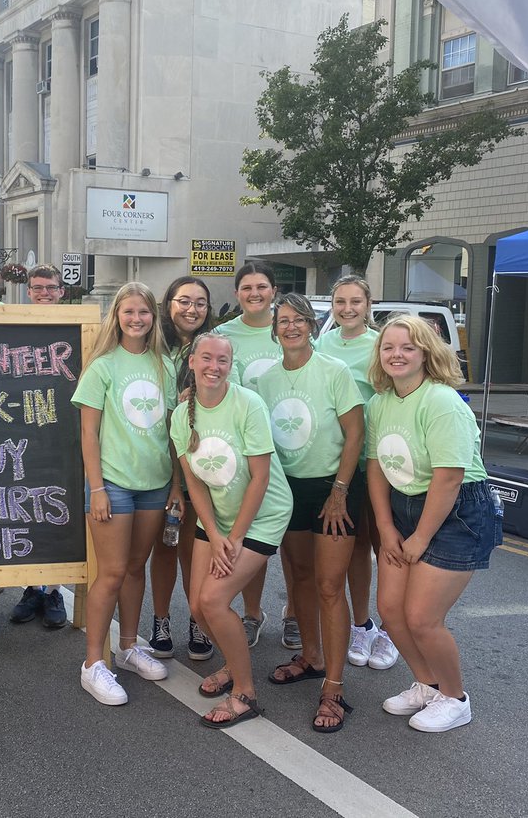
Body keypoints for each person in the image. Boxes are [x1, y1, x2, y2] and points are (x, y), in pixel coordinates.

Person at [366, 315, 500, 733]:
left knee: (422, 617)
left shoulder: (442, 402)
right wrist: (386, 529)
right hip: (403, 506)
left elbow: (449, 477)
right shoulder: (380, 402)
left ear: (426, 353)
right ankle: (427, 684)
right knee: (390, 609)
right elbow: (374, 469)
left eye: (408, 347)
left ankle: (456, 698)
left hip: (456, 511)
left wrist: (421, 536)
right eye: (389, 347)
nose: (397, 354)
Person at [253, 294, 365, 732]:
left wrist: (339, 491)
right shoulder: (266, 379)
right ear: (274, 329)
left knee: (329, 585)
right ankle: (312, 655)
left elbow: (354, 434)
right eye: (284, 320)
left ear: (312, 325)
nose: (291, 327)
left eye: (300, 319)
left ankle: (334, 686)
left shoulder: (334, 371)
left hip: (332, 488)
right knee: (298, 576)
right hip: (288, 490)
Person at [171, 332, 293, 728]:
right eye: (206, 358)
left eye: (222, 361)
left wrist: (236, 537)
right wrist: (213, 531)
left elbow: (259, 478)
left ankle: (245, 692)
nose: (214, 367)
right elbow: (195, 484)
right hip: (218, 517)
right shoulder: (180, 416)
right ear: (192, 362)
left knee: (214, 600)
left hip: (261, 515)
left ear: (231, 365)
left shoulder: (248, 404)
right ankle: (232, 663)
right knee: (196, 605)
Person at [74, 282, 179, 705]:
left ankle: (129, 645)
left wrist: (175, 484)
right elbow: (88, 432)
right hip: (113, 483)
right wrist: (96, 487)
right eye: (129, 312)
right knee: (112, 573)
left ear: (154, 317)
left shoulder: (164, 366)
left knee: (137, 568)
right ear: (116, 315)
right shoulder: (102, 366)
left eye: (145, 312)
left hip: (154, 483)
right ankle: (93, 664)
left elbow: (173, 432)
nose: (137, 319)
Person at [314, 275, 400, 672]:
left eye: (355, 302)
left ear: (369, 304)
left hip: (382, 459)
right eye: (340, 302)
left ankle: (391, 628)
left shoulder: (380, 344)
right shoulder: (323, 343)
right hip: (342, 460)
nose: (347, 308)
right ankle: (362, 624)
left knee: (387, 545)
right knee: (355, 546)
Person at [215, 260, 285, 648]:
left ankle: (293, 614)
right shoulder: (224, 334)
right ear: (237, 293)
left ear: (273, 290)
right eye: (247, 288)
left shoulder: (289, 327)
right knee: (254, 539)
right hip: (245, 455)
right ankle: (253, 613)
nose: (255, 294)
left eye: (262, 287)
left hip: (295, 449)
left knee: (295, 547)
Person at [148, 276, 215, 662]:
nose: (192, 309)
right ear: (168, 302)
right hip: (157, 463)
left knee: (193, 550)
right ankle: (160, 621)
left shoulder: (213, 348)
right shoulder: (152, 347)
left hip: (200, 464)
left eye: (201, 303)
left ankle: (197, 620)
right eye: (184, 300)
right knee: (165, 548)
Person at [9, 263, 70, 629]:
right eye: (37, 287)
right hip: (17, 434)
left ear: (62, 291)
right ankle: (32, 588)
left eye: (51, 287)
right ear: (28, 291)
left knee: (57, 517)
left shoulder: (76, 329)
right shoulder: (15, 326)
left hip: (61, 433)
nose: (44, 293)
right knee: (25, 515)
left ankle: (53, 591)